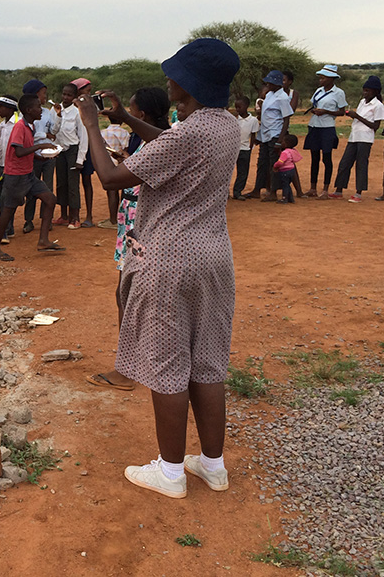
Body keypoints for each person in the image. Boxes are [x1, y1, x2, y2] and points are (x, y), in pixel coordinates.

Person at [75, 38, 241, 499]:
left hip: (167, 261)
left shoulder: (189, 133)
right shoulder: (225, 125)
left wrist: (90, 124)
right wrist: (126, 120)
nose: (167, 81)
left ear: (184, 83)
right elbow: (172, 148)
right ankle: (212, 466)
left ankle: (170, 473)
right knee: (207, 363)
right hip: (213, 257)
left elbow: (110, 177)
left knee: (168, 366)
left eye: (173, 75)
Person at [86, 86, 171, 393]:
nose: (129, 116)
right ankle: (147, 360)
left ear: (141, 114)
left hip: (137, 222)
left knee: (126, 294)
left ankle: (127, 370)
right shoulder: (167, 137)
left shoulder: (154, 144)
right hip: (145, 221)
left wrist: (91, 125)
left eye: (132, 111)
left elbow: (109, 179)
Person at [0, 94, 64, 261]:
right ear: (28, 110)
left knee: (50, 199)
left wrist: (42, 157)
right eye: (38, 107)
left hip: (27, 174)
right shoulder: (20, 127)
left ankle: (43, 241)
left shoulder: (30, 126)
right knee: (7, 212)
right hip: (16, 176)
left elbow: (25, 152)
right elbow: (19, 152)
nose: (41, 110)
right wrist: (42, 146)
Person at [333, 76, 384, 203]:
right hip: (354, 136)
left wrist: (357, 116)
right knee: (345, 163)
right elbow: (359, 118)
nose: (365, 93)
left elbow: (375, 126)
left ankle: (358, 193)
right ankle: (339, 190)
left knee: (361, 165)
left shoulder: (378, 105)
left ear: (375, 92)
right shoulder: (362, 102)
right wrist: (352, 116)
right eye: (364, 90)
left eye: (368, 91)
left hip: (365, 138)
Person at [247, 70, 293, 202]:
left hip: (275, 134)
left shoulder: (282, 98)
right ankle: (257, 189)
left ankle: (273, 191)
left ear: (277, 83)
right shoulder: (270, 95)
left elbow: (286, 120)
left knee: (274, 164)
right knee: (262, 163)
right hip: (265, 134)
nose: (268, 84)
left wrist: (280, 140)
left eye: (270, 82)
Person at [303, 65, 347, 198]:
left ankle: (325, 190)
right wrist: (315, 111)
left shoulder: (338, 93)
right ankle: (313, 188)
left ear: (331, 79)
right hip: (314, 126)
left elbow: (341, 111)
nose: (320, 80)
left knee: (326, 158)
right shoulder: (318, 91)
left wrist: (326, 112)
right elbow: (314, 104)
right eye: (320, 78)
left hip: (327, 127)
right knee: (314, 158)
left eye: (323, 78)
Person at [22, 79, 57, 233]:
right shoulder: (26, 115)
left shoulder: (48, 113)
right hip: (34, 155)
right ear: (36, 94)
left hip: (48, 155)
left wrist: (58, 116)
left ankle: (46, 219)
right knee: (31, 188)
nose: (45, 96)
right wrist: (45, 135)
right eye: (43, 93)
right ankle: (28, 221)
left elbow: (54, 131)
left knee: (47, 188)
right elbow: (31, 136)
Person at [53, 83, 89, 229]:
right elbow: (54, 131)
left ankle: (75, 217)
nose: (65, 97)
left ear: (74, 97)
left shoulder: (77, 112)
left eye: (69, 95)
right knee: (61, 183)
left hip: (73, 151)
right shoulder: (55, 110)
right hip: (59, 150)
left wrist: (81, 158)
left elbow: (83, 136)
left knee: (72, 184)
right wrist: (58, 115)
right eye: (64, 94)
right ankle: (63, 215)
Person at [72, 77, 98, 227]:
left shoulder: (88, 106)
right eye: (86, 91)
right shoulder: (71, 108)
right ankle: (72, 216)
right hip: (74, 148)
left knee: (87, 181)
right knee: (72, 183)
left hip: (87, 147)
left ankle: (89, 215)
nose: (88, 94)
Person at [0, 96, 19, 238]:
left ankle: (6, 229)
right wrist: (0, 150)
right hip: (2, 164)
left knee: (7, 198)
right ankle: (8, 227)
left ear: (10, 109)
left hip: (12, 167)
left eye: (1, 107)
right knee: (1, 197)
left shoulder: (18, 123)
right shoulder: (3, 124)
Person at [98, 114, 130, 229]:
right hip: (122, 162)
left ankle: (112, 219)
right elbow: (125, 149)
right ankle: (122, 217)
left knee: (111, 191)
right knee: (124, 191)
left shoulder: (103, 132)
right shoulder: (125, 133)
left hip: (108, 163)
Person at [232, 96, 258, 200]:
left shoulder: (253, 120)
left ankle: (237, 192)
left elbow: (253, 135)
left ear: (246, 106)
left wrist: (250, 148)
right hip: (233, 149)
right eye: (236, 107)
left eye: (239, 107)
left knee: (243, 172)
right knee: (228, 171)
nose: (237, 110)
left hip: (245, 149)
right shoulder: (234, 119)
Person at [273, 134, 302, 204]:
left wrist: (275, 166)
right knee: (287, 185)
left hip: (285, 171)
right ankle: (290, 198)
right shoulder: (292, 151)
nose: (281, 143)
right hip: (291, 170)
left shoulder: (285, 153)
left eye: (283, 141)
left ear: (286, 144)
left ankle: (284, 198)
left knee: (285, 185)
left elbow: (280, 162)